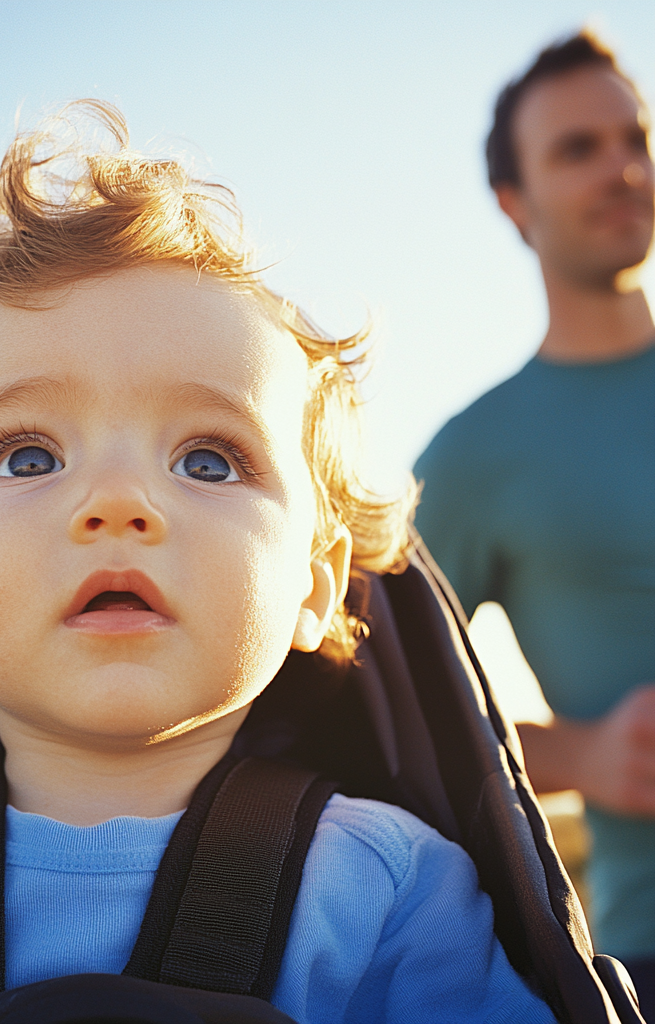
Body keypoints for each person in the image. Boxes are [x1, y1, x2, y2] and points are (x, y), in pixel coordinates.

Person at [0, 102, 557, 1024]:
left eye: (208, 460)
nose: (117, 504)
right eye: (28, 457)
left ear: (315, 583)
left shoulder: (392, 891)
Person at [414, 31, 655, 1015]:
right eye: (576, 150)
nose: (621, 168)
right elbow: (393, 705)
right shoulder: (476, 454)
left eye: (633, 136)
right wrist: (584, 754)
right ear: (514, 206)